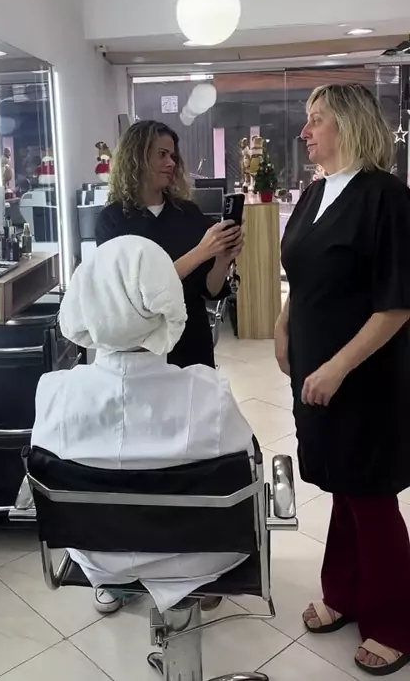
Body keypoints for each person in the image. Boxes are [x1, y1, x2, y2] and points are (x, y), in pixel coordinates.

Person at [32, 235, 255, 616]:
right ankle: (191, 590)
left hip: (96, 554)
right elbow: (246, 471)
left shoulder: (55, 393)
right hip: (199, 556)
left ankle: (118, 587)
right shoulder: (208, 392)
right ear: (166, 299)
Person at [275, 83, 410, 675]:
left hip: (365, 373)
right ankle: (344, 592)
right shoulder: (314, 193)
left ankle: (394, 622)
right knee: (341, 483)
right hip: (315, 366)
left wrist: (337, 365)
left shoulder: (387, 197)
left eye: (318, 120)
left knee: (371, 495)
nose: (305, 131)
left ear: (349, 125)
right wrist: (283, 323)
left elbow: (396, 304)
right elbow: (304, 273)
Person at [95, 120, 243, 370]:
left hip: (191, 343)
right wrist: (201, 252)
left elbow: (210, 289)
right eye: (162, 154)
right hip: (140, 349)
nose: (171, 163)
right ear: (137, 158)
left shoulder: (188, 214)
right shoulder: (112, 221)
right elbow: (136, 292)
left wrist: (222, 258)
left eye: (173, 156)